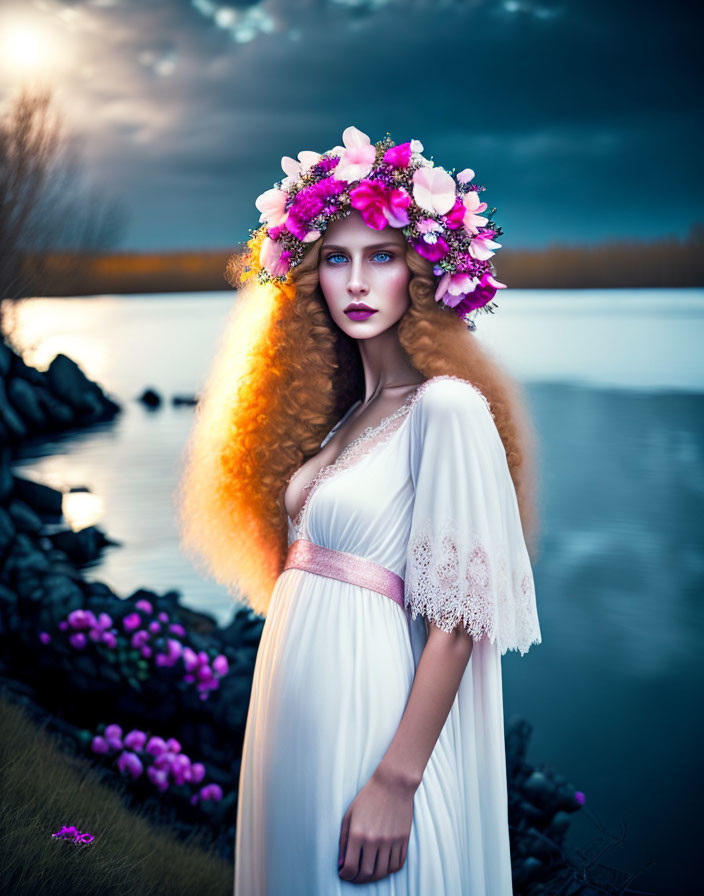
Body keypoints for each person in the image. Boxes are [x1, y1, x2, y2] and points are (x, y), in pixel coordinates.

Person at [176, 126, 542, 894]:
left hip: (373, 721)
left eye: (382, 256)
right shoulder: (346, 421)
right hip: (296, 722)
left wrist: (396, 782)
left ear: (424, 272)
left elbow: (460, 617)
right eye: (335, 258)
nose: (356, 282)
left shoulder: (447, 409)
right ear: (309, 277)